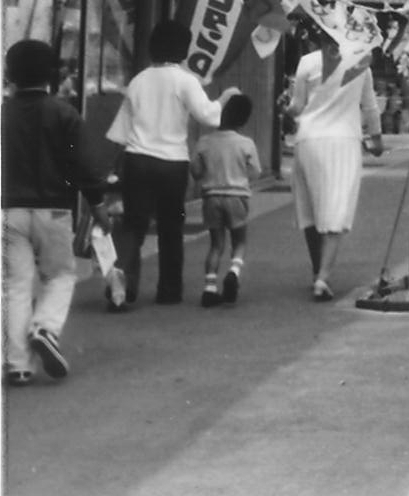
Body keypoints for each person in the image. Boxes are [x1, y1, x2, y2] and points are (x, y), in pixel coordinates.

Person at [105, 21, 235, 309]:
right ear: (183, 49)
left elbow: (120, 132)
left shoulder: (138, 80)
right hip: (172, 164)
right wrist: (224, 98)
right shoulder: (185, 80)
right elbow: (209, 117)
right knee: (170, 227)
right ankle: (169, 290)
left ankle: (123, 285)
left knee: (134, 226)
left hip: (137, 160)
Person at [3, 40, 109, 385]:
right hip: (54, 209)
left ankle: (18, 364)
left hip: (9, 211)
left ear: (9, 74)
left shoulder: (3, 113)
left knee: (16, 285)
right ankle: (46, 328)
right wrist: (98, 204)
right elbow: (84, 164)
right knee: (60, 276)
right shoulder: (64, 113)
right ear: (52, 74)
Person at [289, 29, 381, 301]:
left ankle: (317, 269)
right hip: (343, 140)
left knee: (310, 209)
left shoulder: (307, 62)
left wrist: (289, 110)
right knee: (336, 208)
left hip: (308, 139)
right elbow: (371, 107)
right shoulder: (361, 62)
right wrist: (376, 139)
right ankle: (323, 278)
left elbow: (297, 105)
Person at [191, 94, 262, 308]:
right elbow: (256, 172)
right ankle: (234, 271)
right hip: (237, 196)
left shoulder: (204, 141)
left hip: (211, 197)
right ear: (244, 119)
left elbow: (195, 171)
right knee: (239, 241)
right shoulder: (246, 143)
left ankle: (209, 287)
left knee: (216, 244)